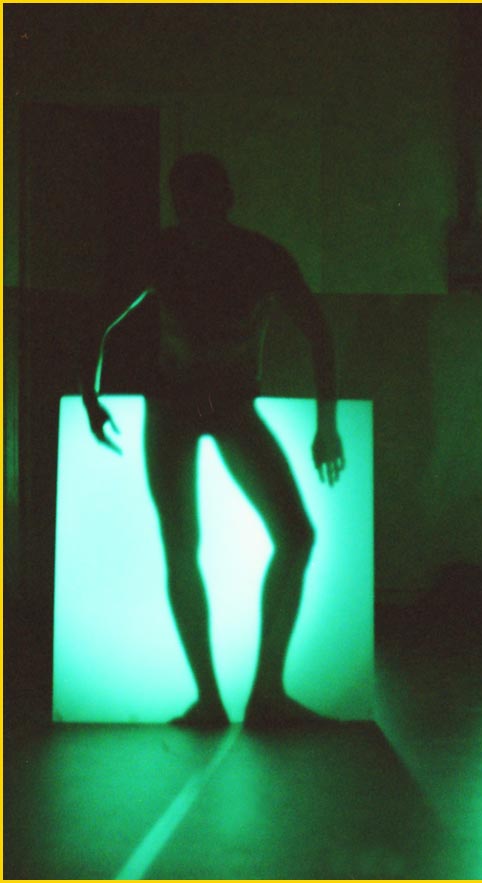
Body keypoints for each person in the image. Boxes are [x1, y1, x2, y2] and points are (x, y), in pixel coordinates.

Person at [81, 153, 345, 728]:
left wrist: (328, 424)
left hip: (211, 405)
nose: (194, 209)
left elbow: (317, 331)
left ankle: (253, 695)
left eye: (200, 198)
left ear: (223, 199)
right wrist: (88, 395)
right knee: (196, 542)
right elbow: (102, 317)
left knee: (284, 536)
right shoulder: (184, 252)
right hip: (183, 405)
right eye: (186, 199)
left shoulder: (253, 256)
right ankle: (229, 697)